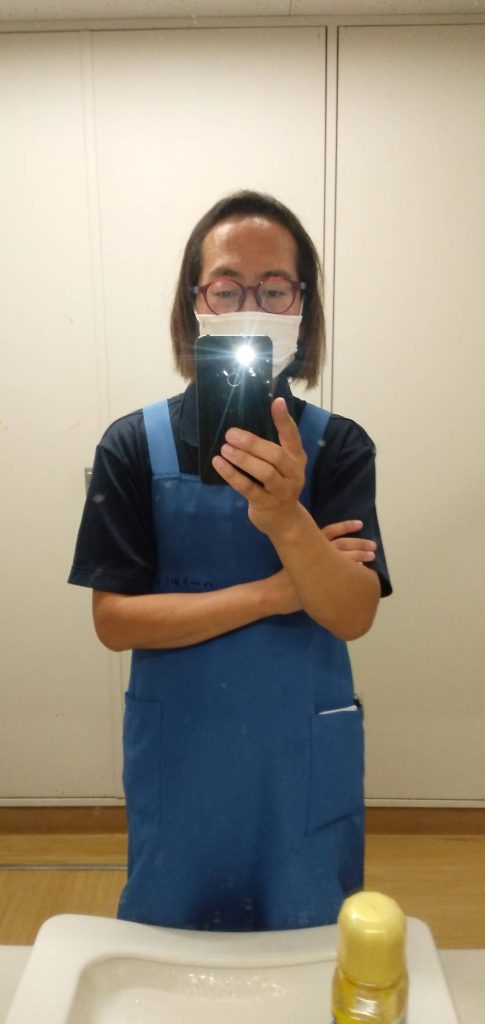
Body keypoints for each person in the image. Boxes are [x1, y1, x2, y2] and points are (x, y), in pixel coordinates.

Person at [69, 190, 392, 932]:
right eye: (227, 288)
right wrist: (276, 592)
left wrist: (284, 516)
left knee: (305, 937)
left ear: (303, 307)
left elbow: (351, 612)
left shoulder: (339, 447)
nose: (251, 307)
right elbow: (116, 622)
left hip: (298, 755)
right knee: (170, 940)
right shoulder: (132, 445)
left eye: (274, 289)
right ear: (195, 303)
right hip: (182, 752)